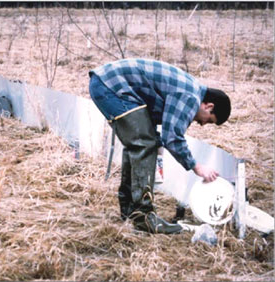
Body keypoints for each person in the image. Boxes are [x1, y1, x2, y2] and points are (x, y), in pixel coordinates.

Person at [88, 58, 231, 234]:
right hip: (111, 85)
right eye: (208, 120)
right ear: (209, 106)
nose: (202, 123)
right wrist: (196, 167)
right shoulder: (191, 97)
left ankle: (130, 211)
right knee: (144, 143)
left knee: (142, 142)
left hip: (106, 82)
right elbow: (172, 136)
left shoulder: (190, 89)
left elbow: (157, 128)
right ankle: (144, 217)